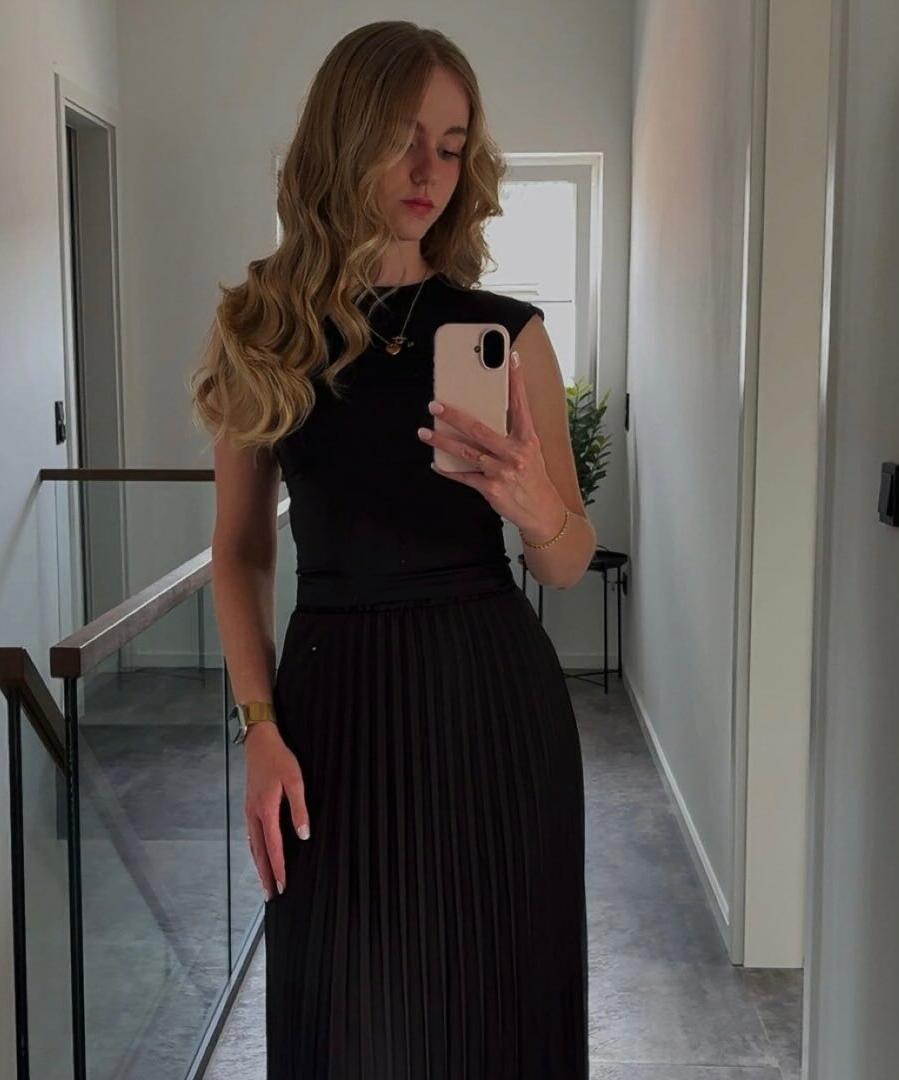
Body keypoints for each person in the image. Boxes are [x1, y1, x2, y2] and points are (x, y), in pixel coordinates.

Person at [189, 19, 597, 1079]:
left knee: (499, 1014)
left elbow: (565, 562)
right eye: (403, 138)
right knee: (346, 1020)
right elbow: (240, 552)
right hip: (334, 707)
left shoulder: (508, 332)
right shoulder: (261, 329)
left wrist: (533, 504)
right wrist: (258, 728)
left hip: (493, 705)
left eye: (452, 147)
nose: (429, 172)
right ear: (343, 136)